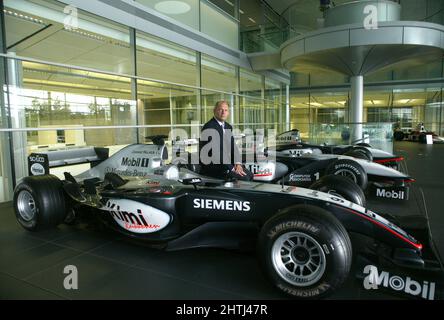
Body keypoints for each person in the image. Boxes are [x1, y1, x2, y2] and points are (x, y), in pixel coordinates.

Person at [199, 100, 253, 181]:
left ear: (228, 113)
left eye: (226, 110)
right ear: (214, 111)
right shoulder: (209, 127)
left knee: (250, 175)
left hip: (225, 165)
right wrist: (232, 168)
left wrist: (238, 163)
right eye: (221, 109)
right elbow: (216, 152)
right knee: (244, 178)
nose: (223, 112)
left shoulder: (227, 126)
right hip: (214, 167)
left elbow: (233, 147)